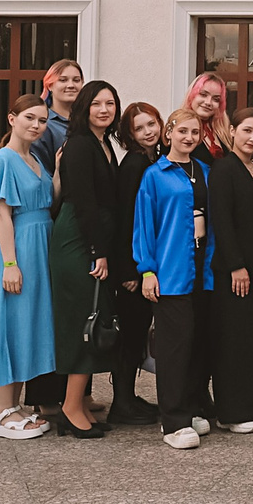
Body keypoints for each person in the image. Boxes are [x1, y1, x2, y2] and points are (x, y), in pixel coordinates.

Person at [134, 108, 215, 449]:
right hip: (170, 270)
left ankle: (191, 407)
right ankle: (173, 421)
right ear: (169, 133)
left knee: (197, 344)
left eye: (195, 133)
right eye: (183, 131)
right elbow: (144, 226)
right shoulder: (155, 175)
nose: (189, 138)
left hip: (202, 269)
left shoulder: (205, 171)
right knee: (174, 348)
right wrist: (147, 270)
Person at [47, 79, 123, 439]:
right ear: (84, 109)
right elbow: (83, 201)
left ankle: (78, 402)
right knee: (82, 320)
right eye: (97, 104)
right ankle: (70, 408)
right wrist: (98, 252)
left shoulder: (103, 142)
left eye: (110, 103)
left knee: (93, 317)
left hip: (92, 237)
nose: (104, 110)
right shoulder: (78, 144)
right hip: (78, 240)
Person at [0, 97, 55, 440]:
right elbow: (2, 215)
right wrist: (10, 263)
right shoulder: (3, 160)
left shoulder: (36, 158)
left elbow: (49, 199)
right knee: (10, 323)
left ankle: (14, 405)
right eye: (29, 118)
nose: (36, 125)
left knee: (29, 324)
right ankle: (0, 411)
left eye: (42, 120)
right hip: (20, 246)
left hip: (42, 244)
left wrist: (60, 169)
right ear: (12, 118)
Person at [208, 107, 253, 434]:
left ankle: (252, 405)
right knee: (235, 339)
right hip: (235, 270)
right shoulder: (223, 169)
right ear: (232, 131)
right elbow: (221, 219)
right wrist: (236, 265)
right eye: (247, 130)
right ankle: (231, 412)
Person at [107, 102, 164, 424]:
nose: (148, 131)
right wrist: (128, 270)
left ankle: (129, 398)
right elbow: (125, 218)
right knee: (130, 334)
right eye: (139, 128)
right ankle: (122, 403)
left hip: (146, 262)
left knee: (139, 331)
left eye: (151, 124)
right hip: (133, 268)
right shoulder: (134, 164)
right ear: (129, 135)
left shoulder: (153, 158)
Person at [32, 58, 84, 172]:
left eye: (76, 80)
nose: (71, 85)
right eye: (63, 80)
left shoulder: (87, 121)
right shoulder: (43, 124)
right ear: (50, 85)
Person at [186, 72, 235, 162]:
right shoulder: (178, 129)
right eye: (203, 95)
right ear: (191, 95)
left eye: (216, 99)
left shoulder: (224, 132)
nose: (208, 102)